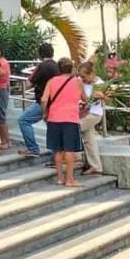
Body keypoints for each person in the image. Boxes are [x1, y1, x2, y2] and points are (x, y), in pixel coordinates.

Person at [41, 58, 83, 186]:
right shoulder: (77, 82)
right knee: (69, 149)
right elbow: (85, 98)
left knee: (58, 149)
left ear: (59, 69)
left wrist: (44, 113)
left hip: (54, 118)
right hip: (70, 118)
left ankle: (59, 178)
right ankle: (69, 179)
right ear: (71, 69)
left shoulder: (52, 81)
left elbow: (43, 100)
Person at [19, 43, 59, 157]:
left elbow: (29, 84)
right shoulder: (56, 66)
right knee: (52, 127)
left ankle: (33, 149)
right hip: (55, 102)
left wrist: (29, 81)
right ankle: (54, 155)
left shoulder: (42, 66)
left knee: (24, 120)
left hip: (43, 102)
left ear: (40, 54)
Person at [77, 60, 106, 175]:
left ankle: (75, 156)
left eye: (84, 77)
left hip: (94, 114)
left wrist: (102, 97)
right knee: (89, 140)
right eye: (81, 77)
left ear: (91, 74)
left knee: (73, 128)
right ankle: (96, 166)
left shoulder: (99, 83)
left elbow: (108, 99)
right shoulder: (83, 84)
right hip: (84, 113)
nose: (82, 79)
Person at [0, 43, 12, 150]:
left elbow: (3, 74)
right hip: (2, 88)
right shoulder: (2, 62)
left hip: (1, 89)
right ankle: (5, 139)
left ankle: (5, 140)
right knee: (0, 115)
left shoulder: (2, 63)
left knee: (1, 116)